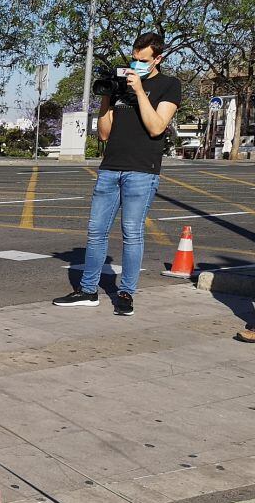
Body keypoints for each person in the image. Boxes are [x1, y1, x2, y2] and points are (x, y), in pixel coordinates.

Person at [53, 32, 181, 317]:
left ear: (158, 59)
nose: (137, 64)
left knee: (131, 233)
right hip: (110, 168)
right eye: (134, 58)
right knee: (96, 231)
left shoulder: (168, 85)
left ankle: (126, 293)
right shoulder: (122, 86)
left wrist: (139, 91)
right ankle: (88, 291)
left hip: (141, 170)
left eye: (143, 60)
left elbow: (157, 127)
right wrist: (107, 97)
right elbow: (104, 133)